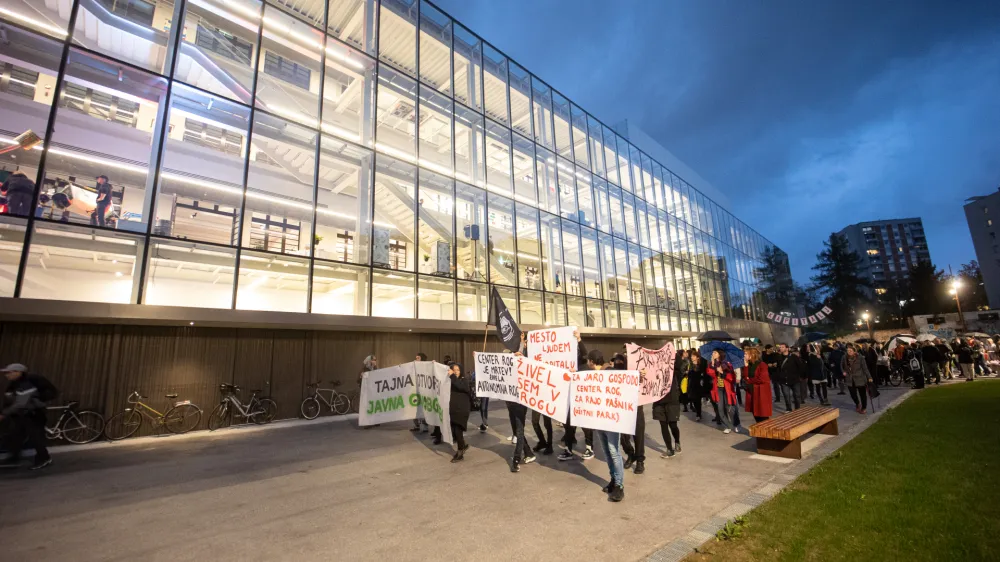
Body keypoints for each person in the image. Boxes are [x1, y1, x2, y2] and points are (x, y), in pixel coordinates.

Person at [584, 349, 625, 502]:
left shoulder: (611, 372)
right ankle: (614, 480)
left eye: (588, 361)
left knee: (614, 452)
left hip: (611, 419)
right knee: (607, 452)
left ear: (592, 361)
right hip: (599, 419)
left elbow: (626, 382)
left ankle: (620, 486)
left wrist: (638, 375)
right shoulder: (591, 375)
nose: (588, 363)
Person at [0, 364, 57, 470]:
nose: (6, 375)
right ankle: (14, 457)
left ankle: (44, 458)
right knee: (16, 435)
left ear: (18, 372)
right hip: (23, 414)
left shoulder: (27, 384)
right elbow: (10, 399)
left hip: (34, 414)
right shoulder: (15, 383)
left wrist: (4, 414)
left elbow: (21, 403)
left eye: (9, 372)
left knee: (36, 437)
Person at [559, 330, 595, 461]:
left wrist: (579, 340)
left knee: (585, 426)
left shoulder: (583, 365)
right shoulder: (563, 365)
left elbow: (585, 353)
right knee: (568, 426)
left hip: (581, 400)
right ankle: (568, 450)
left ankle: (589, 448)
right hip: (568, 400)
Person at [618, 353, 646, 474]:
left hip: (637, 406)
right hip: (623, 407)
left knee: (638, 435)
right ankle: (631, 454)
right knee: (623, 437)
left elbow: (646, 383)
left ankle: (640, 461)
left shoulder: (640, 369)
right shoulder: (618, 369)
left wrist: (642, 375)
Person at [654, 350, 683, 458]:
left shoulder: (674, 371)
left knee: (673, 425)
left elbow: (680, 364)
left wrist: (671, 353)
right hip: (658, 401)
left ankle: (677, 441)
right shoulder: (655, 370)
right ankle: (669, 449)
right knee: (663, 425)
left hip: (671, 400)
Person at [708, 350, 738, 434]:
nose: (713, 354)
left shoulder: (726, 364)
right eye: (713, 353)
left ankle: (735, 424)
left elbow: (732, 378)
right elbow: (711, 375)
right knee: (720, 409)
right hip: (718, 389)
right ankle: (728, 426)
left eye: (715, 353)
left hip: (727, 389)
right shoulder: (712, 364)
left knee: (729, 408)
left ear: (719, 354)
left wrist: (722, 372)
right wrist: (713, 365)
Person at [447, 362, 472, 463]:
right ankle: (464, 445)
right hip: (453, 409)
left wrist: (452, 376)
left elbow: (461, 386)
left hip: (462, 410)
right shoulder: (450, 381)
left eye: (458, 370)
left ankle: (460, 452)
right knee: (454, 430)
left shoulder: (464, 380)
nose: (456, 372)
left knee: (458, 431)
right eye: (454, 370)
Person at [743, 347, 772, 423]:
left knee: (762, 414)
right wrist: (746, 366)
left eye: (746, 354)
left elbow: (762, 379)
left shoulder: (762, 365)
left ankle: (766, 432)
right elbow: (745, 377)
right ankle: (760, 432)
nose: (744, 355)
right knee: (755, 412)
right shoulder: (748, 365)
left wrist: (749, 380)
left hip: (761, 392)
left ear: (752, 355)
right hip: (752, 391)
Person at [841, 345, 873, 414]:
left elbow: (865, 368)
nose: (849, 352)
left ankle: (864, 407)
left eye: (850, 351)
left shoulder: (860, 358)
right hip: (850, 379)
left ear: (854, 351)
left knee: (863, 395)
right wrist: (843, 371)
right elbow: (841, 365)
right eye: (847, 351)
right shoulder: (844, 357)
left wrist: (869, 377)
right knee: (853, 394)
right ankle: (857, 403)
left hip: (860, 378)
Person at [778, 344, 805, 411]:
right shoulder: (779, 357)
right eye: (780, 347)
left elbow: (800, 366)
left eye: (782, 347)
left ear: (787, 348)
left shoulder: (793, 356)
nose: (780, 348)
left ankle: (797, 409)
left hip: (794, 380)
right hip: (784, 380)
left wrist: (801, 376)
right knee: (786, 396)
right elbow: (778, 369)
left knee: (797, 396)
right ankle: (789, 409)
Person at [688, 352, 708, 421]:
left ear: (697, 357)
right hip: (691, 385)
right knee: (693, 400)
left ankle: (698, 414)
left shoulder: (700, 365)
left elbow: (702, 374)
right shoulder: (690, 365)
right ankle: (698, 412)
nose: (692, 357)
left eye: (693, 356)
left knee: (698, 400)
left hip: (698, 385)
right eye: (691, 356)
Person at [412, 353, 429, 432]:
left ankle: (425, 426)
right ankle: (416, 425)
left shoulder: (426, 367)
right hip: (414, 392)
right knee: (413, 408)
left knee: (423, 410)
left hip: (423, 392)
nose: (416, 359)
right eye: (416, 358)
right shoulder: (413, 366)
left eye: (418, 358)